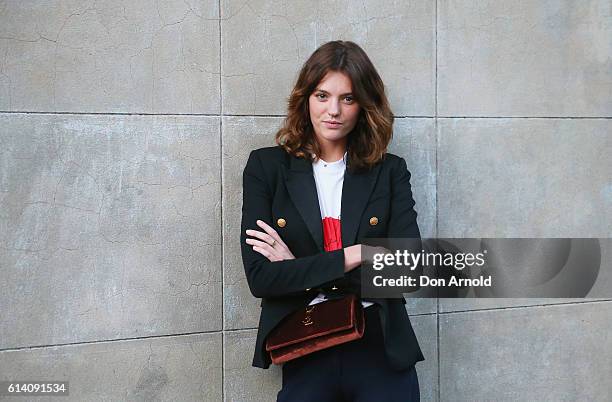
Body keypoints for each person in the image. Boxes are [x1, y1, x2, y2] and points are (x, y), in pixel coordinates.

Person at [240, 40, 424, 402]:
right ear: (305, 98)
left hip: (380, 343)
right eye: (322, 96)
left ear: (364, 106)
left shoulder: (389, 172)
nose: (333, 111)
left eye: (348, 99)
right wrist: (360, 254)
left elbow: (408, 268)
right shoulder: (266, 169)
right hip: (304, 342)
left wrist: (301, 269)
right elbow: (261, 278)